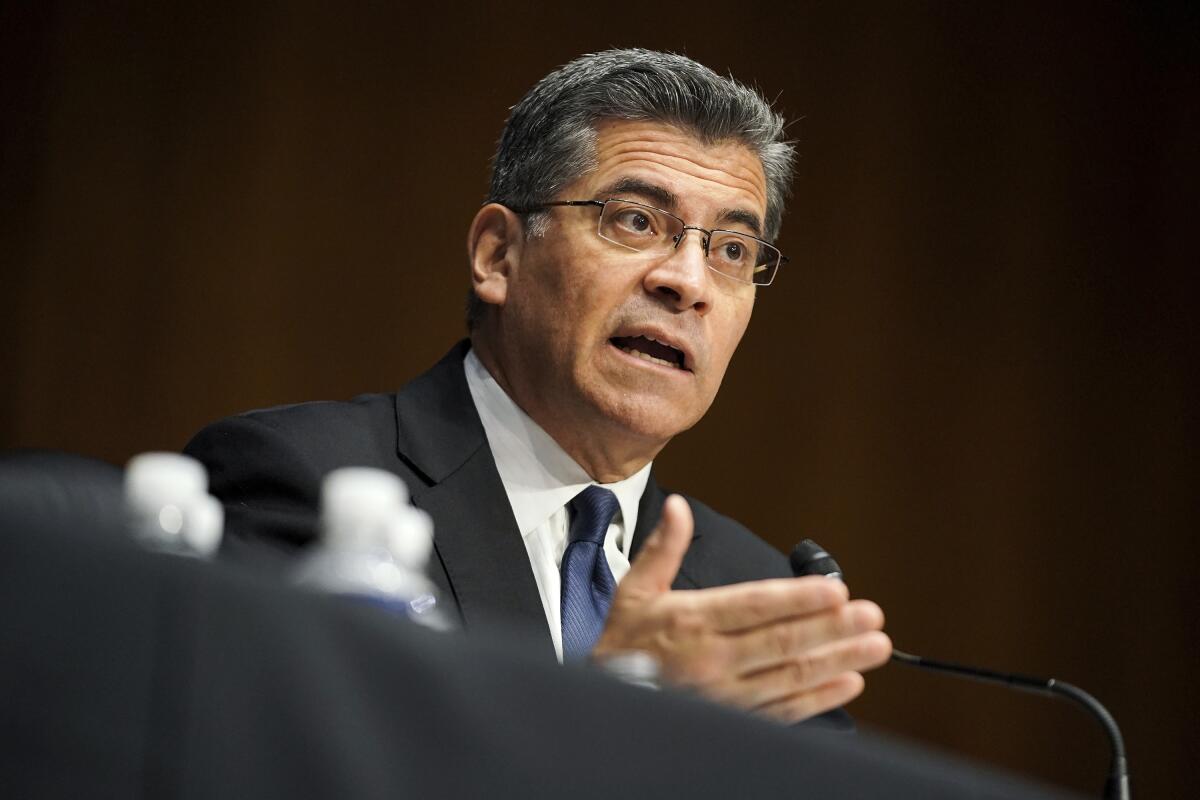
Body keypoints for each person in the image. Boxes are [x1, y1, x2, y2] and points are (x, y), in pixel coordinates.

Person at [185, 48, 892, 724]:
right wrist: (613, 708)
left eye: (732, 250)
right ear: (499, 255)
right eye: (636, 221)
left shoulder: (755, 597)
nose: (687, 281)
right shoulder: (299, 477)